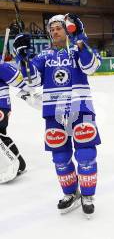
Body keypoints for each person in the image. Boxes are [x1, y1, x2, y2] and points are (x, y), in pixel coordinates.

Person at [12, 14, 102, 218]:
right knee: (60, 158)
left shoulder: (79, 49)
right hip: (54, 112)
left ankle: (87, 195)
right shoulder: (43, 56)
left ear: (67, 29)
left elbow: (92, 66)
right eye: (51, 29)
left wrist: (81, 38)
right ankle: (70, 193)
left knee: (86, 154)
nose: (54, 31)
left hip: (81, 109)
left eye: (58, 27)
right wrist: (23, 56)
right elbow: (32, 81)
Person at [0, 56, 33, 183]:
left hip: (1, 106)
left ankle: (16, 164)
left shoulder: (2, 66)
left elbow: (20, 81)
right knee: (2, 135)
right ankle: (19, 163)